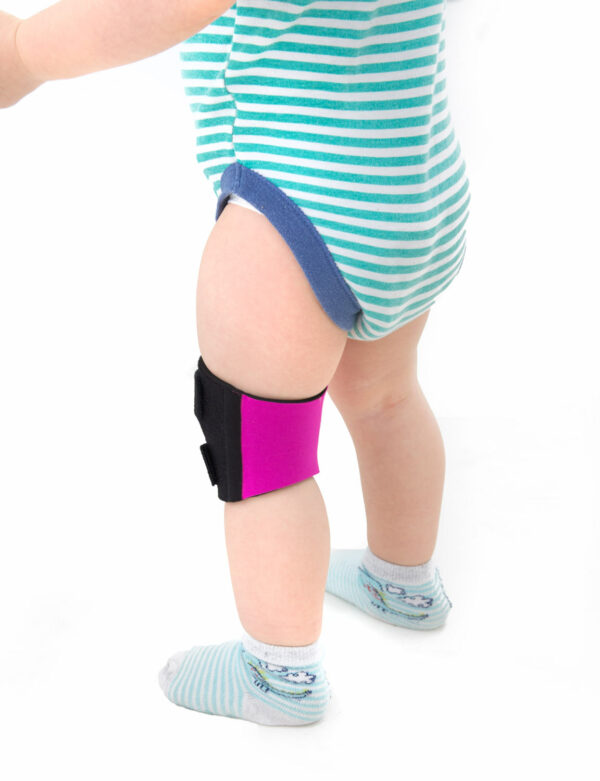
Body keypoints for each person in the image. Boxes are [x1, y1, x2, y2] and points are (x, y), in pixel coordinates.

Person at [1, 0, 469, 726]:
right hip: (414, 190)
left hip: (296, 203)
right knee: (385, 395)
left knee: (262, 454)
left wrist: (25, 52)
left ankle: (278, 674)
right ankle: (401, 581)